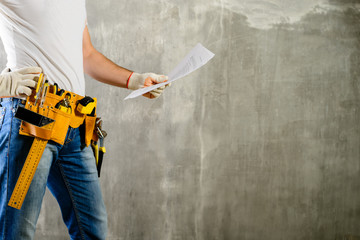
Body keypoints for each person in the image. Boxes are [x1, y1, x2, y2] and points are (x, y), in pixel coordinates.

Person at [0, 1, 169, 239]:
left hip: (74, 126)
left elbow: (87, 54)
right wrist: (2, 85)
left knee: (92, 231)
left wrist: (134, 79)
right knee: (15, 231)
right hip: (31, 122)